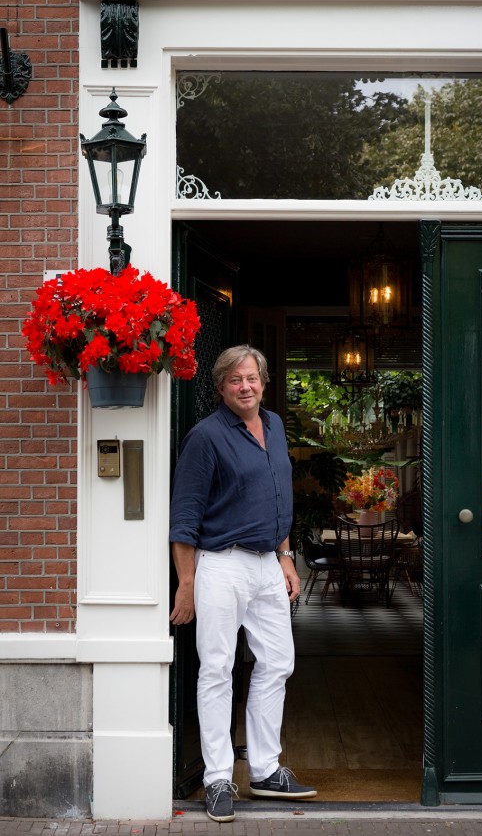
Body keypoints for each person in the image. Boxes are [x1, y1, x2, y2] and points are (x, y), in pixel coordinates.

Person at [169, 344, 317, 822]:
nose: (246, 387)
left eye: (252, 378)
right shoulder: (206, 437)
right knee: (216, 669)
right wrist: (186, 584)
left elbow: (278, 496)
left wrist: (287, 557)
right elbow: (185, 517)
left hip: (268, 566)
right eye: (236, 381)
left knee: (277, 662)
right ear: (221, 387)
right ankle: (216, 779)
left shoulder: (273, 426)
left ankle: (266, 768)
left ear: (263, 381)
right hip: (221, 565)